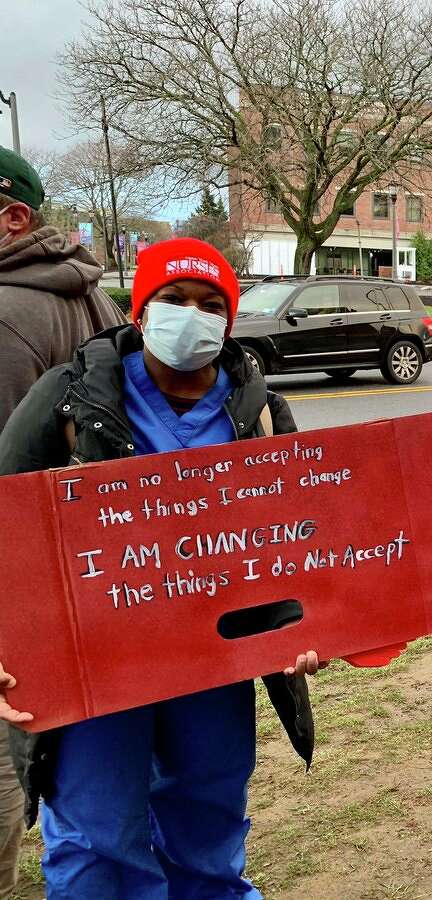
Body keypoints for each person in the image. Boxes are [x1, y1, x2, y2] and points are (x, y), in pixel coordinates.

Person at [0, 237, 323, 897]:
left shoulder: (256, 409)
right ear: (140, 312)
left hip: (214, 666)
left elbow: (295, 540)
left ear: (228, 323)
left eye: (210, 305)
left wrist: (303, 630)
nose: (191, 316)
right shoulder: (69, 400)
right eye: (174, 300)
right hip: (93, 668)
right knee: (97, 842)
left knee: (207, 826)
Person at [0, 147, 127, 894]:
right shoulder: (95, 299)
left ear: (14, 218)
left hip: (30, 593)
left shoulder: (8, 316)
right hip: (104, 580)